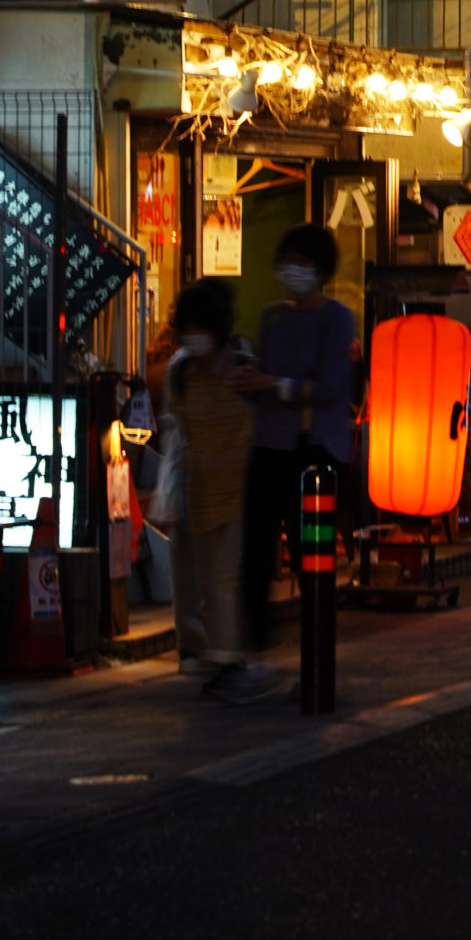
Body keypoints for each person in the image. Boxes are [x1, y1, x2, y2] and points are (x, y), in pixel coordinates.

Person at [238, 224, 359, 654]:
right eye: (288, 260)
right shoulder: (272, 316)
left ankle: (317, 655)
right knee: (255, 551)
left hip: (318, 449)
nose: (294, 270)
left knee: (315, 559)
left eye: (304, 262)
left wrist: (272, 384)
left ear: (322, 269)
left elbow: (328, 387)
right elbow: (268, 375)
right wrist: (255, 381)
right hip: (270, 445)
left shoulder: (338, 319)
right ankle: (253, 650)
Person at [164, 279, 281, 703]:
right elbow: (181, 435)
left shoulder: (243, 371)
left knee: (225, 579)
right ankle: (223, 658)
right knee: (207, 582)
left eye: (199, 327)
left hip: (238, 492)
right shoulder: (181, 373)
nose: (192, 336)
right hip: (198, 493)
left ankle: (233, 661)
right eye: (186, 328)